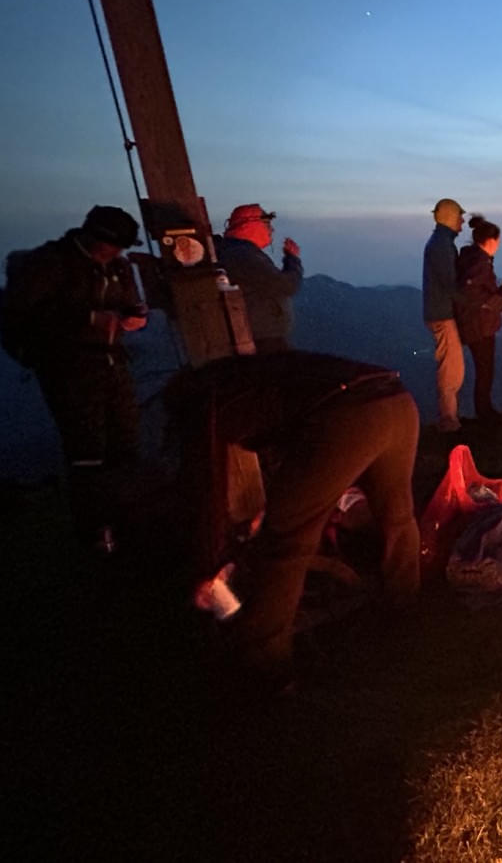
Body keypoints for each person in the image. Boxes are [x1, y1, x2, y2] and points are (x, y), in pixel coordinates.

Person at [164, 350, 420, 691]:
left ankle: (266, 666)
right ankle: (406, 612)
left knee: (286, 543)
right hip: (396, 400)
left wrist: (208, 566)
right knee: (398, 517)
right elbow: (293, 454)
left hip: (349, 417)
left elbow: (208, 489)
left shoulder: (209, 407)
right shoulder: (255, 376)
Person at [1, 205, 147, 550]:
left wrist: (132, 316)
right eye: (113, 245)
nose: (116, 252)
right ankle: (95, 532)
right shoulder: (50, 263)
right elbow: (22, 313)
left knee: (125, 445)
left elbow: (127, 304)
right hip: (69, 371)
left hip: (113, 365)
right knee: (87, 451)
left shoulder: (118, 267)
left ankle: (126, 521)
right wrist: (90, 318)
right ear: (94, 236)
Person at [216, 204, 303, 354]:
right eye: (267, 224)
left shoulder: (235, 252)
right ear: (251, 225)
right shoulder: (242, 255)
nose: (271, 230)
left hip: (256, 338)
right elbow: (286, 286)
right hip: (260, 342)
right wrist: (292, 260)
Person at [454, 215, 502, 426]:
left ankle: (485, 410)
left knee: (484, 370)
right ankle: (485, 413)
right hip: (479, 326)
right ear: (491, 240)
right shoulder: (478, 261)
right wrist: (497, 301)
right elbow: (470, 291)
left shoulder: (471, 258)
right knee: (485, 370)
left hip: (476, 324)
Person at [422, 198, 466, 432]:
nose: (462, 221)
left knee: (452, 366)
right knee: (451, 369)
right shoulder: (441, 245)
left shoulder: (440, 242)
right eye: (459, 216)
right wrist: (473, 302)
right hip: (442, 314)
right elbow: (450, 283)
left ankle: (450, 417)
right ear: (450, 217)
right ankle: (448, 421)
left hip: (438, 312)